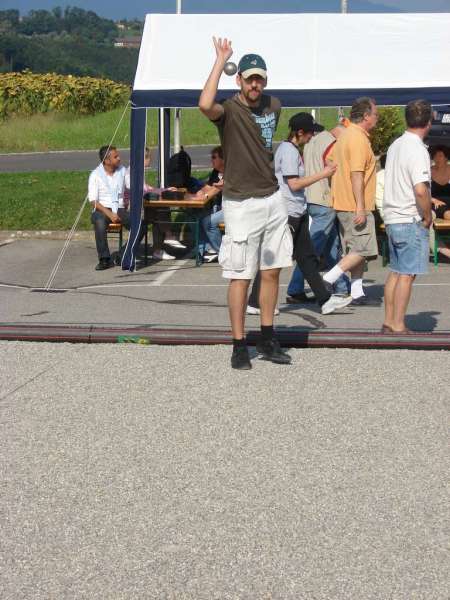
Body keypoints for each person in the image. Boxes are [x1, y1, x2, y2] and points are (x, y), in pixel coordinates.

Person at [199, 37, 292, 369]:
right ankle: (239, 344)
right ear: (238, 79)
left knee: (272, 271)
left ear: (265, 81)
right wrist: (220, 60)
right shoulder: (230, 110)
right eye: (249, 78)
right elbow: (204, 103)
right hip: (241, 203)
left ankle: (267, 337)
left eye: (260, 78)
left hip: (272, 198)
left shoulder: (274, 105)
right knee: (240, 275)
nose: (255, 84)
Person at [247, 114, 353, 316]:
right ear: (300, 132)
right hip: (287, 213)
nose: (313, 135)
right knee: (274, 258)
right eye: (310, 132)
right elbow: (293, 183)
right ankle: (255, 302)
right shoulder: (288, 151)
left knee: (307, 258)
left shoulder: (292, 150)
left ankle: (324, 300)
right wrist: (324, 173)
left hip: (298, 211)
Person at [382, 99, 433, 334]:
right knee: (407, 274)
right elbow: (421, 189)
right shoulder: (417, 149)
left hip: (392, 216)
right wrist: (427, 216)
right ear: (429, 121)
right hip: (409, 216)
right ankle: (399, 323)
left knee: (396, 271)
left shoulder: (396, 144)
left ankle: (388, 320)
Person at [322, 97, 380, 305]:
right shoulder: (357, 138)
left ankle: (357, 292)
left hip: (344, 202)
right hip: (354, 204)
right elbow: (357, 174)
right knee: (363, 248)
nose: (377, 118)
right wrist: (360, 206)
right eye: (375, 114)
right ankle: (328, 278)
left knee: (356, 249)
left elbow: (330, 162)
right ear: (366, 116)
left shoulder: (345, 135)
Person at [285, 124, 350, 303]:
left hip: (311, 197)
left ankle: (342, 287)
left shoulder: (311, 142)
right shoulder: (332, 143)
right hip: (325, 198)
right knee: (312, 250)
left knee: (330, 246)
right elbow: (335, 170)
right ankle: (295, 287)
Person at [125, 148, 185, 261]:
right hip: (132, 209)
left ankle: (159, 248)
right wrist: (161, 191)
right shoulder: (131, 173)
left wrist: (164, 190)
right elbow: (141, 190)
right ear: (143, 159)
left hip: (141, 206)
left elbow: (148, 188)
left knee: (159, 212)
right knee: (161, 209)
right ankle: (168, 236)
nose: (150, 161)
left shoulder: (137, 171)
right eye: (149, 158)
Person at [89, 145, 137, 271]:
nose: (119, 158)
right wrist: (110, 214)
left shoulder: (122, 170)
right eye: (116, 157)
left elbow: (131, 186)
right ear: (107, 161)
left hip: (119, 208)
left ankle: (122, 254)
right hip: (102, 209)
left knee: (139, 225)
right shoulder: (95, 175)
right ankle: (104, 259)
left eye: (118, 155)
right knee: (99, 221)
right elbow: (93, 201)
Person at [195, 146, 225, 263]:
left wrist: (205, 196)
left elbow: (216, 189)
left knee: (208, 222)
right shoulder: (216, 172)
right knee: (198, 217)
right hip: (220, 207)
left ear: (222, 159)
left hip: (234, 208)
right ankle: (206, 248)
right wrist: (200, 191)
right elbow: (210, 187)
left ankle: (222, 252)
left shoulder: (230, 171)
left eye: (214, 157)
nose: (211, 160)